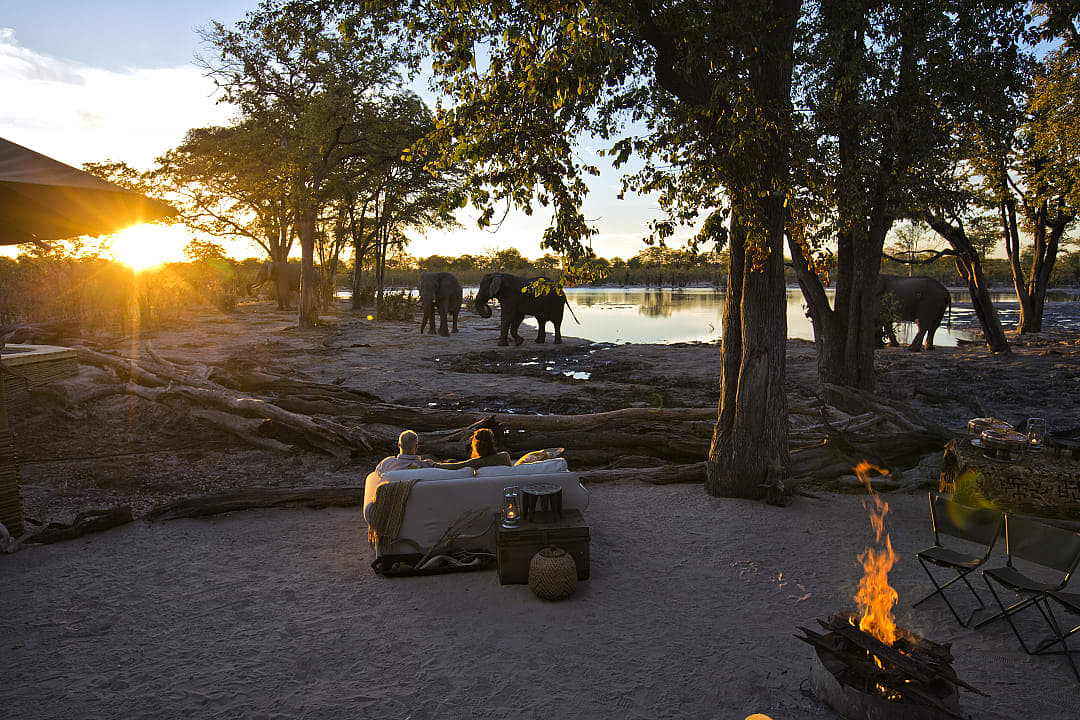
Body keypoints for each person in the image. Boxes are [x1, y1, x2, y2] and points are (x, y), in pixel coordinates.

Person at [435, 428, 512, 470]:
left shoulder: (475, 463)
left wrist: (434, 465)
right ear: (492, 443)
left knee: (452, 461)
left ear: (475, 445)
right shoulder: (505, 456)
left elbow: (456, 466)